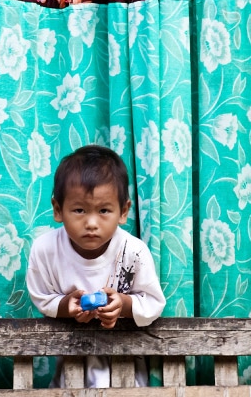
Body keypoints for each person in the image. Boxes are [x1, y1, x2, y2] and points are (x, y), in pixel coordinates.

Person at [26, 145, 166, 388]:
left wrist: (123, 305)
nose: (91, 223)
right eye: (79, 210)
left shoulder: (133, 252)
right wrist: (64, 306)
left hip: (125, 370)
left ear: (123, 212)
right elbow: (41, 296)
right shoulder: (45, 249)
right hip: (71, 370)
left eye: (103, 210)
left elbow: (153, 303)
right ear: (58, 209)